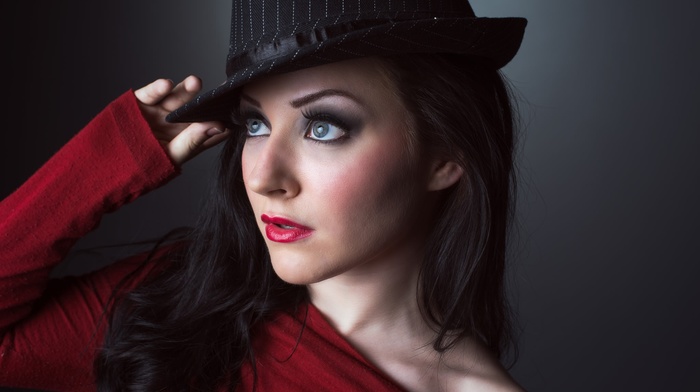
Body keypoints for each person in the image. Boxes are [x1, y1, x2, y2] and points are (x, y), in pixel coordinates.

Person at [0, 0, 527, 391]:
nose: (262, 177)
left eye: (323, 127)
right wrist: (108, 156)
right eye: (255, 124)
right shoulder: (177, 300)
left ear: (445, 156)